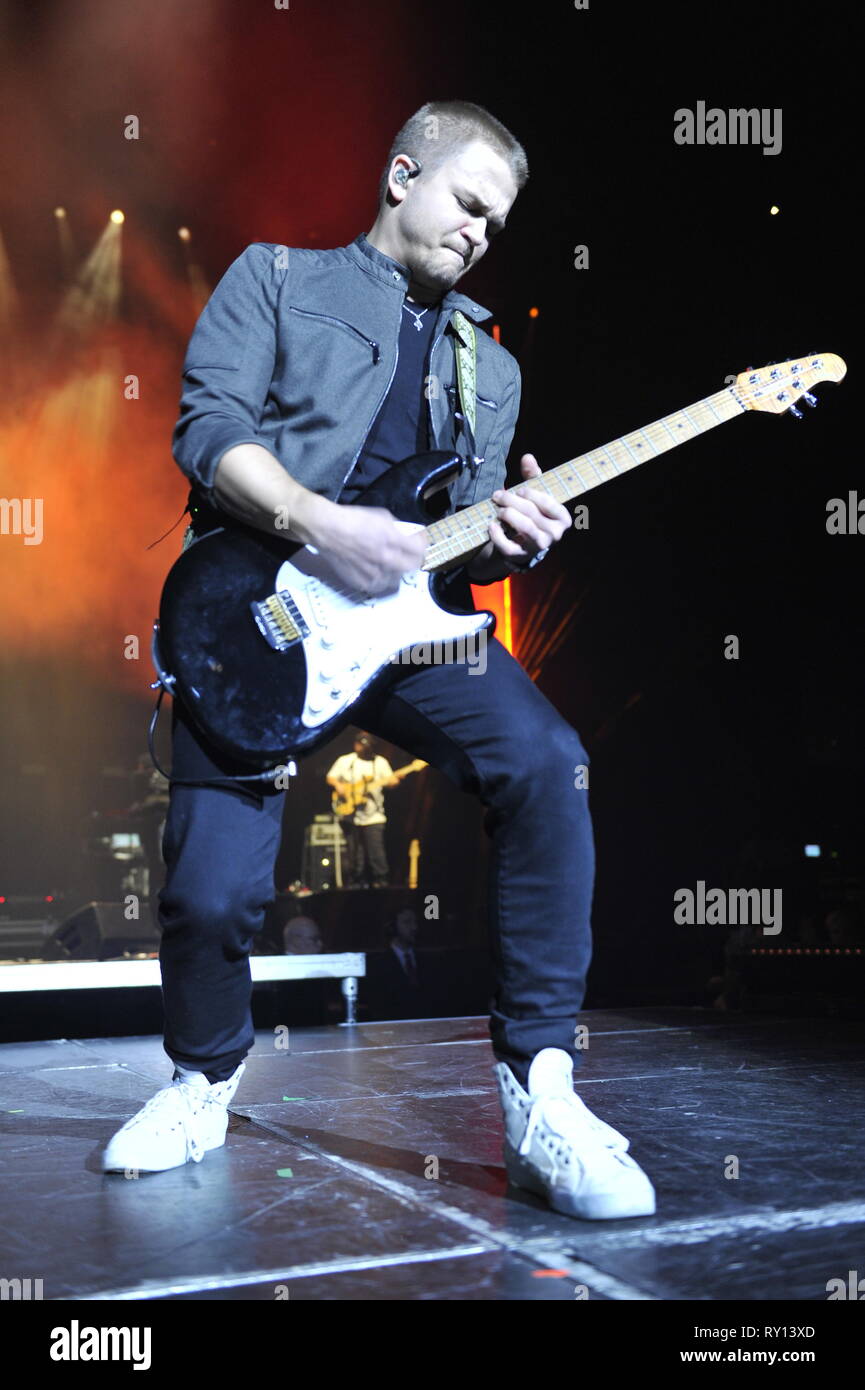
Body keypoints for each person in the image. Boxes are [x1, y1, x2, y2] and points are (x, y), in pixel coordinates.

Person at [102, 99, 654, 1221]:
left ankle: (540, 1085)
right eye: (466, 204)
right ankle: (202, 1079)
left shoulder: (486, 372)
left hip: (404, 632)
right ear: (403, 175)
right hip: (255, 610)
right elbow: (208, 432)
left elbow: (445, 561)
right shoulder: (276, 278)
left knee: (549, 763)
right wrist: (319, 520)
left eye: (497, 224)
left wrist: (511, 533)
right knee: (210, 896)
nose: (479, 234)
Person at [326, 733, 399, 888]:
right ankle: (355, 882)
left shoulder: (380, 762)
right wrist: (339, 786)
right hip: (349, 814)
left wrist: (393, 782)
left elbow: (391, 781)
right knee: (354, 853)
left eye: (367, 745)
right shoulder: (346, 761)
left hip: (374, 815)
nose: (363, 748)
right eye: (360, 744)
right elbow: (331, 777)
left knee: (376, 851)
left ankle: (381, 882)